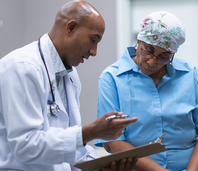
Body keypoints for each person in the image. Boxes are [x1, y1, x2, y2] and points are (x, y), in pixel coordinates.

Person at [0, 0, 138, 171]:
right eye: (93, 40)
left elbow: (71, 149)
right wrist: (92, 131)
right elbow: (26, 145)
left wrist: (101, 166)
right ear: (71, 28)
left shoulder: (70, 75)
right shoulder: (23, 67)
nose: (94, 52)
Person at [95, 11, 198, 171]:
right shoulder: (112, 78)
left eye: (163, 56)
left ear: (173, 54)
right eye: (148, 50)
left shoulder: (190, 74)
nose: (152, 61)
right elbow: (113, 142)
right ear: (139, 40)